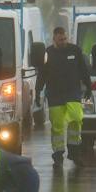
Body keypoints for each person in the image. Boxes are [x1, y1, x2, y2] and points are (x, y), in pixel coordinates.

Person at [38, 24, 92, 167]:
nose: (63, 41)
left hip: (73, 92)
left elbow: (83, 70)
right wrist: (38, 91)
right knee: (57, 126)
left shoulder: (75, 50)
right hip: (55, 95)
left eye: (65, 39)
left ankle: (74, 152)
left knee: (76, 118)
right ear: (54, 38)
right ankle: (58, 154)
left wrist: (89, 87)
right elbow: (42, 74)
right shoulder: (48, 53)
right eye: (60, 39)